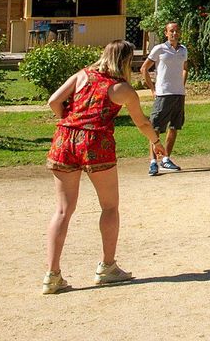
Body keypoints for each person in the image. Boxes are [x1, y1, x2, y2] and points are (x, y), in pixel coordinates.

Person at [44, 39, 165, 295]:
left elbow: (54, 101)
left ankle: (52, 275)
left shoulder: (82, 75)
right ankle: (107, 267)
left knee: (63, 210)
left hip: (65, 139)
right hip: (96, 143)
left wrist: (69, 121)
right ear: (125, 61)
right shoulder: (121, 89)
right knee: (109, 206)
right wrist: (156, 141)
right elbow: (142, 122)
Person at [140, 21, 189, 175]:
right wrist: (153, 89)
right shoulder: (159, 49)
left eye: (177, 31)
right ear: (166, 33)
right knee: (155, 128)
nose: (174, 33)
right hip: (163, 93)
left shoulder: (183, 50)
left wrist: (182, 84)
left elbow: (185, 68)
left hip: (178, 94)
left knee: (174, 126)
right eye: (171, 31)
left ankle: (166, 159)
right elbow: (144, 69)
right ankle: (153, 162)